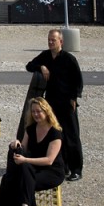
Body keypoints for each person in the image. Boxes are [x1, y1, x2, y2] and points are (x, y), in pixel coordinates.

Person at [25, 29, 83, 181]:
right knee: (57, 134)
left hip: (67, 102)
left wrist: (74, 98)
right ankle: (63, 167)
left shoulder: (69, 59)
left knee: (72, 135)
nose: (51, 42)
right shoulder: (45, 56)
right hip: (51, 103)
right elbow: (29, 65)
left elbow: (78, 80)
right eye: (49, 40)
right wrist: (41, 67)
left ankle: (76, 169)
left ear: (61, 42)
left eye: (54, 40)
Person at [5, 97, 65, 206]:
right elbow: (24, 150)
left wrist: (25, 160)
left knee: (25, 178)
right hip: (34, 168)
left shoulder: (55, 133)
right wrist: (15, 144)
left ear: (46, 112)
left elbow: (49, 160)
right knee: (24, 171)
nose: (36, 114)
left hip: (52, 171)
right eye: (33, 112)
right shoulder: (30, 129)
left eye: (39, 111)